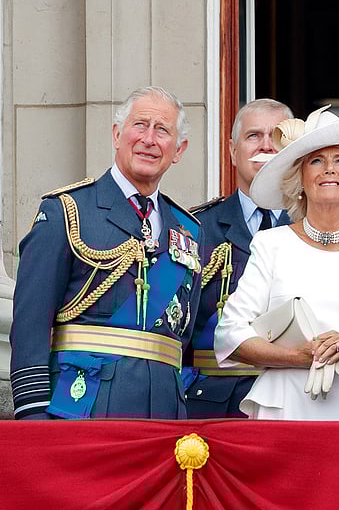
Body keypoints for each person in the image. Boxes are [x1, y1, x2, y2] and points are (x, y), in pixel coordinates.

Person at [9, 86, 202, 420]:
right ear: (117, 134)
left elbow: (182, 336)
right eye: (140, 125)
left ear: (178, 149)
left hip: (164, 413)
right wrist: (34, 415)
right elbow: (31, 322)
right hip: (82, 408)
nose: (149, 139)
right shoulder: (68, 211)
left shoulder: (189, 230)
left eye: (163, 130)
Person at [214, 106, 339, 420]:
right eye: (316, 160)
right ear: (299, 178)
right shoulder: (271, 244)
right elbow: (229, 336)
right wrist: (298, 356)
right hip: (287, 407)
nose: (329, 169)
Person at [185, 98, 294, 418]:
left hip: (296, 397)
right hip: (214, 404)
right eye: (254, 136)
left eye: (277, 137)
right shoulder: (195, 228)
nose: (266, 146)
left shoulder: (315, 228)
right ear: (232, 151)